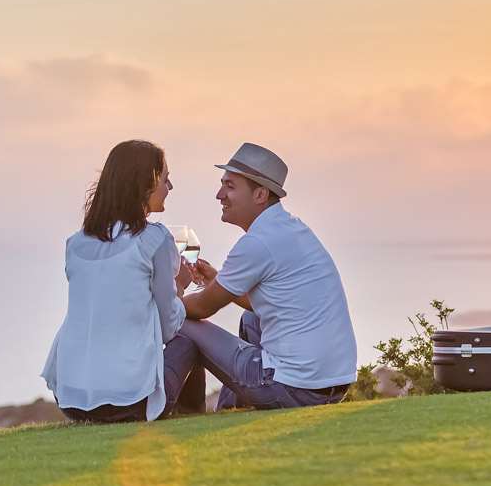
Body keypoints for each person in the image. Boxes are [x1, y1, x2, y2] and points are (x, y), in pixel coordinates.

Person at [163, 142, 356, 412]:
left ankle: (171, 409)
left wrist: (164, 300)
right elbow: (268, 302)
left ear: (260, 194)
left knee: (182, 323)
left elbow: (203, 307)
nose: (220, 194)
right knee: (252, 319)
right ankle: (229, 409)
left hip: (292, 389)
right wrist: (216, 280)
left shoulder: (258, 242)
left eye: (230, 186)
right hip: (329, 386)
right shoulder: (290, 228)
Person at [42, 139, 193, 423]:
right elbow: (167, 328)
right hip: (130, 402)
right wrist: (180, 286)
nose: (169, 188)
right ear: (144, 184)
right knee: (190, 340)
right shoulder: (155, 239)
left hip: (72, 399)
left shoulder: (75, 243)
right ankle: (190, 419)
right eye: (165, 179)